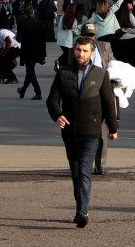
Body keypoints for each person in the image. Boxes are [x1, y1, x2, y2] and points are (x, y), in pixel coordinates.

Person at [46, 36, 119, 228]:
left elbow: (109, 103)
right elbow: (52, 100)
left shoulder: (100, 74)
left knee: (84, 171)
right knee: (76, 172)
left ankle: (82, 212)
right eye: (78, 50)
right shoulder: (63, 73)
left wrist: (113, 128)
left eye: (85, 51)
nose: (81, 54)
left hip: (91, 131)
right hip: (70, 132)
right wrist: (57, 115)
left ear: (92, 53)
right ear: (74, 51)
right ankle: (80, 207)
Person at [16, 3, 46, 100]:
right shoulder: (39, 23)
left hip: (26, 50)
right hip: (37, 51)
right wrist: (43, 54)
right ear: (32, 12)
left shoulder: (22, 23)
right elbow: (43, 40)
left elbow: (19, 38)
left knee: (30, 71)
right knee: (30, 71)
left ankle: (38, 92)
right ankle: (23, 90)